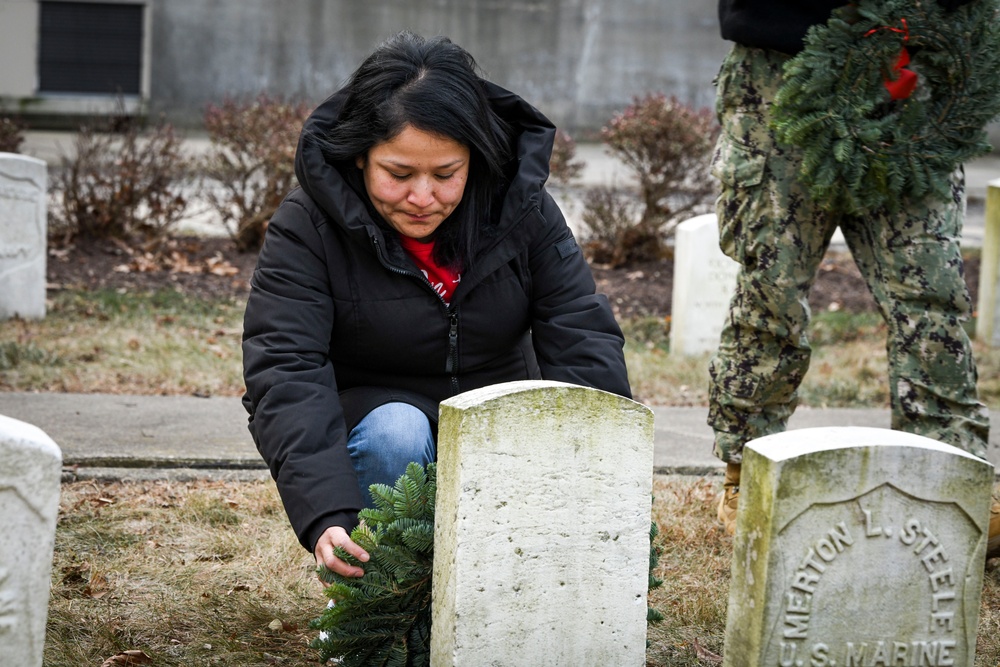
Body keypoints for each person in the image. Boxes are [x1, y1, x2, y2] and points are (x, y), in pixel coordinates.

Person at [241, 31, 631, 579]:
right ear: (359, 159)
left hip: (496, 412)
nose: (423, 198)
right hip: (375, 422)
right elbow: (285, 365)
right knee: (397, 430)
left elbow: (578, 330)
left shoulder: (524, 213)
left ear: (475, 157)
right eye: (398, 174)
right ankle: (377, 603)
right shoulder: (308, 224)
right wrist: (325, 509)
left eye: (446, 174)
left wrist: (605, 470)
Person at [708, 0, 998, 555]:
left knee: (931, 293)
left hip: (915, 77)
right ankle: (745, 470)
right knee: (772, 287)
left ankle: (952, 478)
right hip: (784, 74)